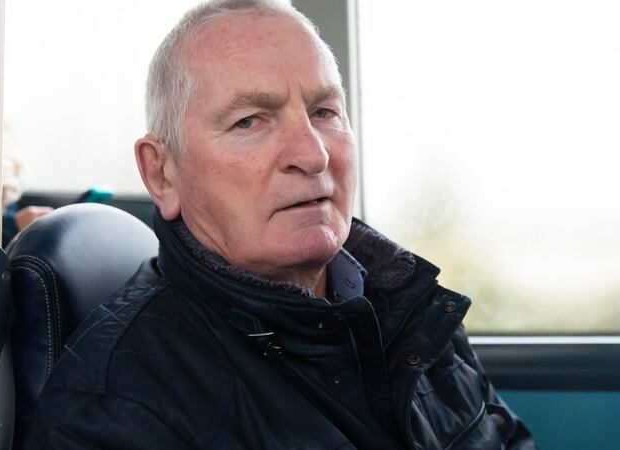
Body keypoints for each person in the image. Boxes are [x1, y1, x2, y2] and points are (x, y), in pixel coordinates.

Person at [27, 1, 537, 449]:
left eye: (324, 111)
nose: (312, 155)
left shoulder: (413, 308)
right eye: (250, 120)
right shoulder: (115, 410)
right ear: (162, 173)